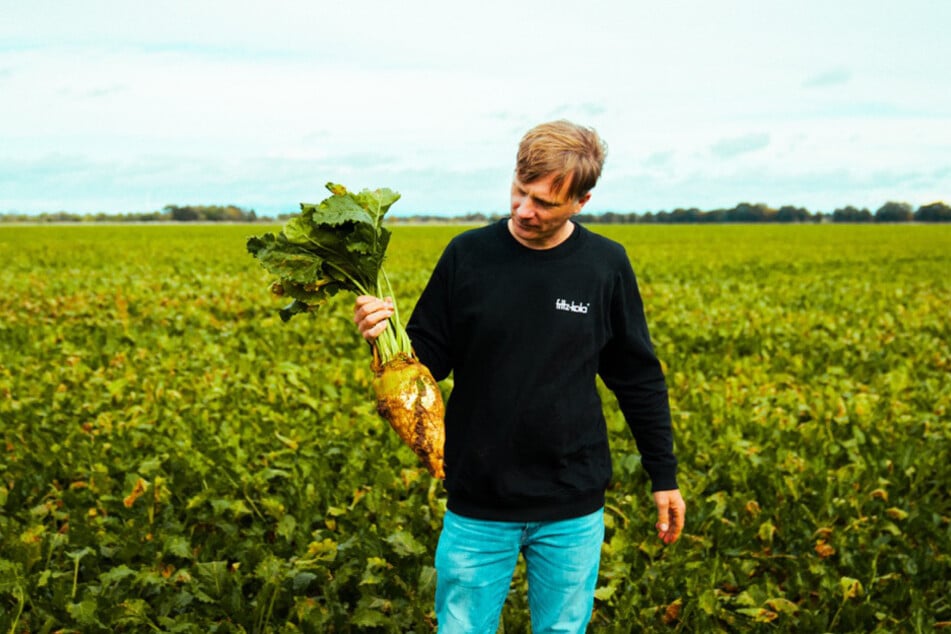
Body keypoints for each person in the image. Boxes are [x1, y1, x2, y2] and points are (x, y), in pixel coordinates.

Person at [353, 120, 685, 633]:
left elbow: (637, 378)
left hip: (571, 503)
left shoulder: (604, 266)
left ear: (582, 200)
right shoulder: (468, 255)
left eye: (545, 203)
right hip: (479, 500)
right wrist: (382, 336)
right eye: (520, 192)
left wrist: (663, 476)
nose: (524, 210)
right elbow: (427, 364)